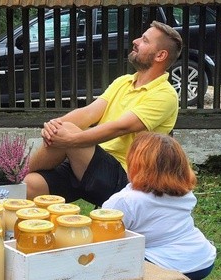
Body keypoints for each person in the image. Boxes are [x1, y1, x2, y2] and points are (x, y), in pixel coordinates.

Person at [24, 21, 182, 207]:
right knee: (29, 185)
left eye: (145, 40)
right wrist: (54, 124)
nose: (136, 41)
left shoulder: (165, 95)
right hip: (88, 162)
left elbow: (120, 127)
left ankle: (13, 174)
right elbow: (89, 112)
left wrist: (72, 140)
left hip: (124, 178)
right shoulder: (123, 82)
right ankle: (17, 179)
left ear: (160, 55)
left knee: (66, 131)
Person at [102, 132, 216, 280]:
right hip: (202, 261)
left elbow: (103, 240)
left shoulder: (125, 201)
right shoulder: (185, 194)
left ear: (135, 165)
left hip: (162, 265)